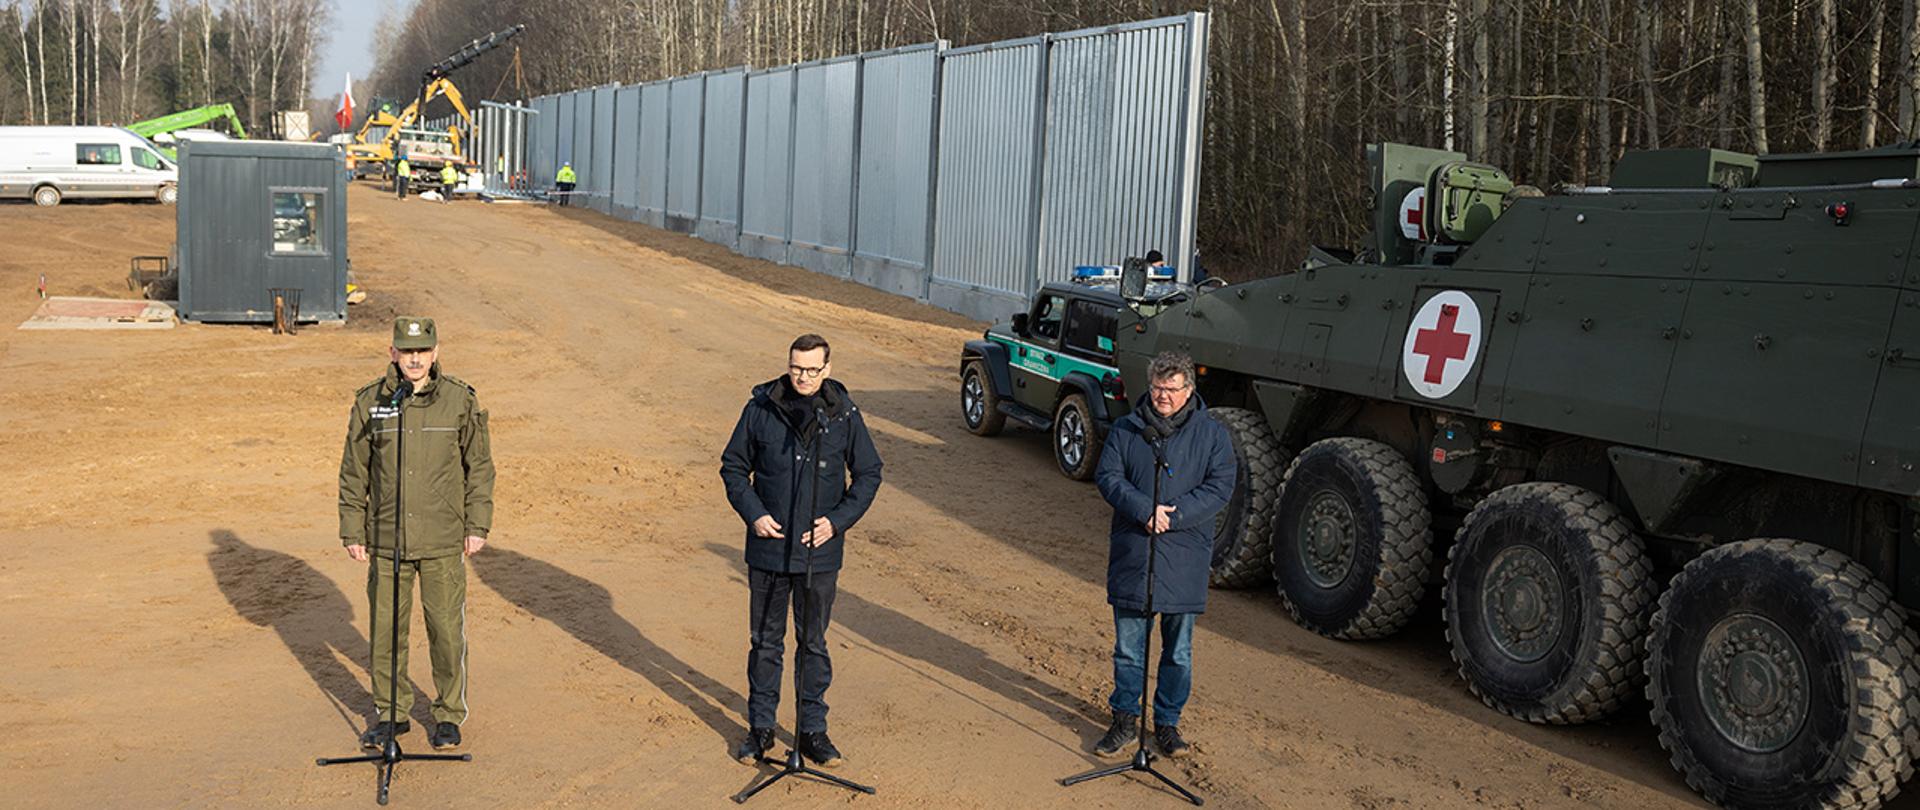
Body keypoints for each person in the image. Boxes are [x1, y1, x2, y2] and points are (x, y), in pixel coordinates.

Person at [720, 334, 883, 768]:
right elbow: (733, 466)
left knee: (813, 644)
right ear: (788, 364)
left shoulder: (844, 415)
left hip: (820, 555)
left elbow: (868, 473)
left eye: (812, 369)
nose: (803, 377)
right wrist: (753, 513)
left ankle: (812, 731)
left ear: (827, 368)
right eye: (796, 368)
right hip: (769, 551)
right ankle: (760, 729)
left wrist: (838, 520)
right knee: (765, 643)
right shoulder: (759, 409)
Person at [338, 316, 495, 752]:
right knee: (387, 631)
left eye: (422, 351)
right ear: (392, 353)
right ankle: (391, 715)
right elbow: (354, 472)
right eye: (406, 351)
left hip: (444, 538)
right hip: (387, 539)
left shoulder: (460, 401)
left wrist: (477, 524)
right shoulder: (371, 402)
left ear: (435, 352)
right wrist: (353, 528)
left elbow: (479, 467)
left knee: (446, 630)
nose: (414, 359)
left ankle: (447, 714)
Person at [1090, 351, 1236, 760]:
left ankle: (1167, 723)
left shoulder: (1213, 435)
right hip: (1135, 554)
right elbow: (1108, 477)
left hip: (1183, 559)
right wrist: (1144, 510)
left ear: (1189, 390)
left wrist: (1177, 516)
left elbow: (1221, 485)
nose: (1162, 396)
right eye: (1156, 387)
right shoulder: (1126, 429)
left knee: (1178, 651)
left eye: (1171, 389)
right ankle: (1123, 720)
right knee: (1129, 649)